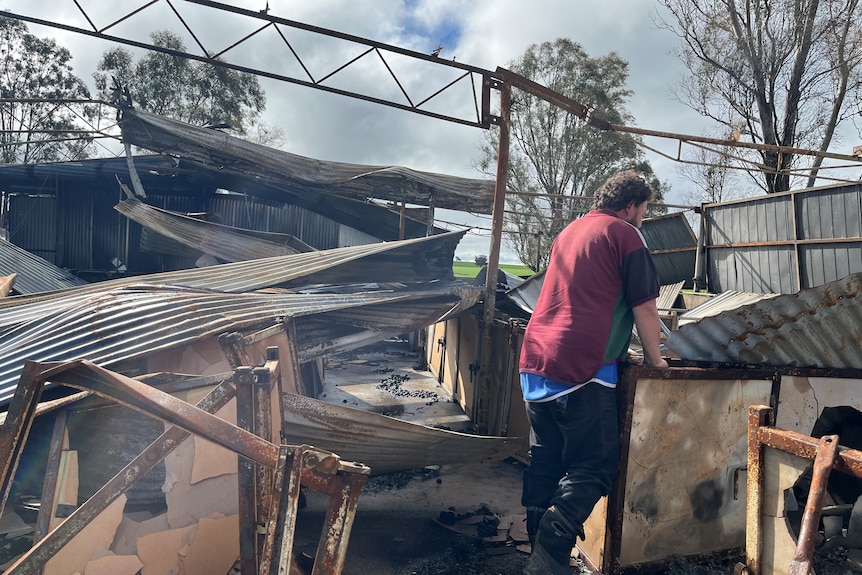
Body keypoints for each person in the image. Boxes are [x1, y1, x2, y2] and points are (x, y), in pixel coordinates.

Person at [519, 170, 669, 575]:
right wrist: (656, 360)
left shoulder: (569, 232)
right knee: (597, 465)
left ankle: (540, 556)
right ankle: (555, 535)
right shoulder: (624, 234)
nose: (643, 217)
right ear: (632, 206)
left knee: (547, 459)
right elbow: (646, 306)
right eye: (645, 209)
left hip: (536, 362)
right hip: (583, 367)